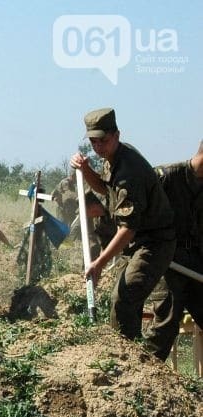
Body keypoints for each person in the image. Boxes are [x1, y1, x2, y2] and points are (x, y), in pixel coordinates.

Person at [70, 108, 175, 343]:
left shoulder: (129, 171)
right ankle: (128, 349)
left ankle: (127, 357)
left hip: (154, 242)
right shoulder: (113, 158)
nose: (98, 147)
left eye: (103, 141)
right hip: (136, 242)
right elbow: (104, 189)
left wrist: (99, 263)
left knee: (124, 297)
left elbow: (128, 228)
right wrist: (86, 170)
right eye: (93, 142)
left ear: (117, 135)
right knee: (122, 295)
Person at [146, 141, 203, 361]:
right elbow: (135, 215)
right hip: (168, 261)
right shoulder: (165, 177)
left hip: (196, 260)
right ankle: (143, 379)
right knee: (166, 324)